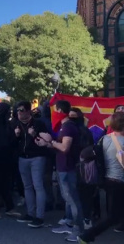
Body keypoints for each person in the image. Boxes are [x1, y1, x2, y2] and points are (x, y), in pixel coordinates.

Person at [36, 100, 84, 242]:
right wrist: (46, 144)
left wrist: (50, 142)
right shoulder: (65, 126)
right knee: (68, 199)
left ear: (60, 111)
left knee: (73, 200)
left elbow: (64, 148)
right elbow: (60, 146)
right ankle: (70, 224)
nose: (52, 113)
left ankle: (79, 231)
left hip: (68, 168)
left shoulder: (68, 127)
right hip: (64, 167)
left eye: (54, 110)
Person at [78, 112, 124, 243]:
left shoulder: (105, 138)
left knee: (115, 213)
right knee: (113, 217)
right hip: (120, 180)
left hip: (108, 179)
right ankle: (87, 236)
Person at [12, 101, 48, 228]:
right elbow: (13, 143)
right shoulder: (16, 124)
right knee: (27, 186)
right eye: (18, 110)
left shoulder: (38, 123)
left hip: (37, 157)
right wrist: (16, 136)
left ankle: (40, 216)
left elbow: (46, 140)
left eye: (22, 110)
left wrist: (34, 135)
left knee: (38, 186)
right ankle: (30, 213)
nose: (19, 113)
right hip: (23, 158)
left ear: (28, 111)